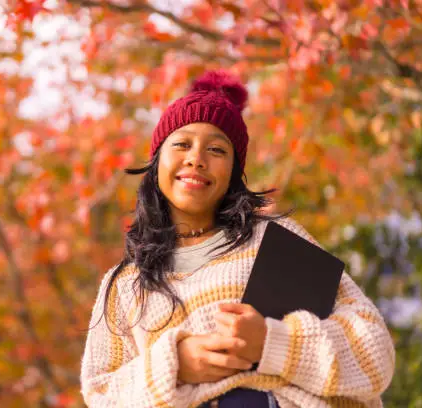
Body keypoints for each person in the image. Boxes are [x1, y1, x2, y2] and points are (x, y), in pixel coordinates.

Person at [79, 70, 395, 408]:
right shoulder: (126, 285)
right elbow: (101, 394)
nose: (196, 158)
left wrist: (272, 343)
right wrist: (174, 366)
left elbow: (374, 354)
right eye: (182, 143)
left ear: (233, 172)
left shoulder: (273, 240)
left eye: (216, 150)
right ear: (156, 163)